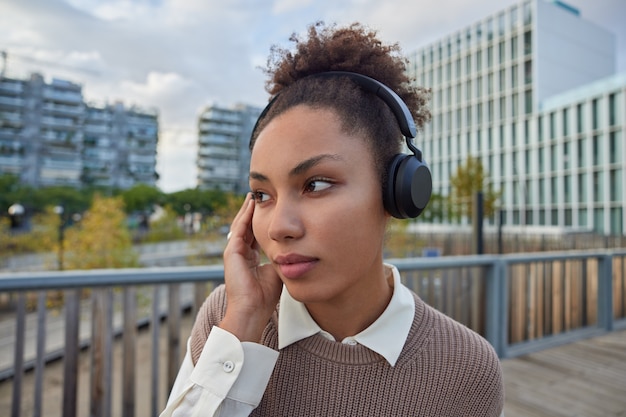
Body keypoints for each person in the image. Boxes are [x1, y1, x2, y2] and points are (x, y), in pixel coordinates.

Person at [161, 21, 504, 417]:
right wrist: (243, 327)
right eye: (262, 195)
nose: (278, 227)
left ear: (397, 192)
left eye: (316, 184)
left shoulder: (467, 367)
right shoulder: (228, 315)